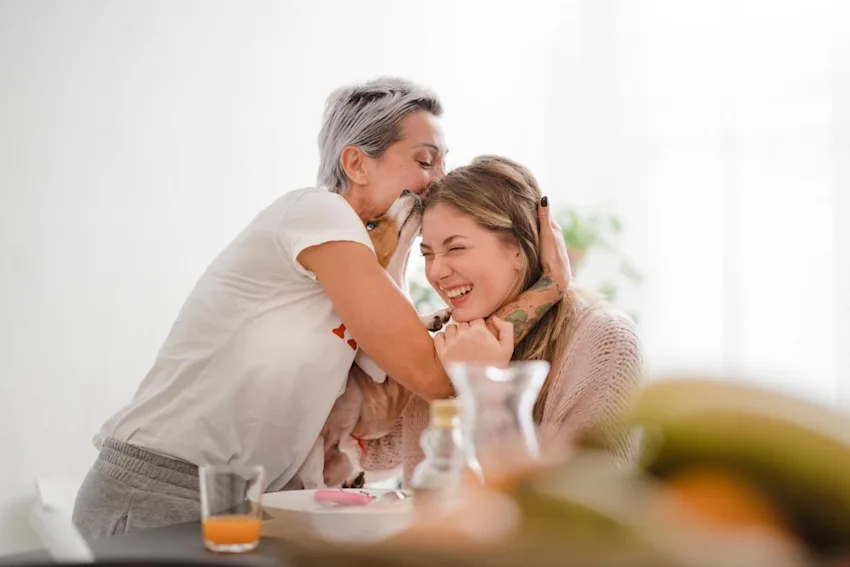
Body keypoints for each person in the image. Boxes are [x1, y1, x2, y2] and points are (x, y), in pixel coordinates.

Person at [72, 78, 569, 539]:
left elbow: (403, 384)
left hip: (250, 497)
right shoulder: (315, 213)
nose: (439, 179)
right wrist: (548, 288)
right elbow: (436, 375)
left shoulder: (378, 270)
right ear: (355, 164)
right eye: (424, 161)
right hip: (163, 488)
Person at [360, 155, 644, 484]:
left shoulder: (606, 342)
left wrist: (486, 391)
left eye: (456, 249)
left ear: (519, 249)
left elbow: (593, 502)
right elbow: (372, 452)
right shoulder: (457, 339)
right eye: (427, 254)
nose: (436, 272)